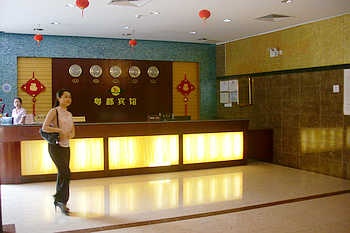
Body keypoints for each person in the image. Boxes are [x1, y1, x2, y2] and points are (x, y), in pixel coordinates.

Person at [41, 89, 75, 215]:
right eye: (65, 97)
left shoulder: (69, 114)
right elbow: (44, 127)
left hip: (66, 146)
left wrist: (69, 135)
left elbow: (73, 132)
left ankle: (60, 200)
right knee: (65, 172)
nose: (68, 99)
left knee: (64, 173)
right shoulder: (54, 111)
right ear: (59, 98)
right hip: (55, 146)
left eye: (69, 97)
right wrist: (60, 131)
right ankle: (61, 201)